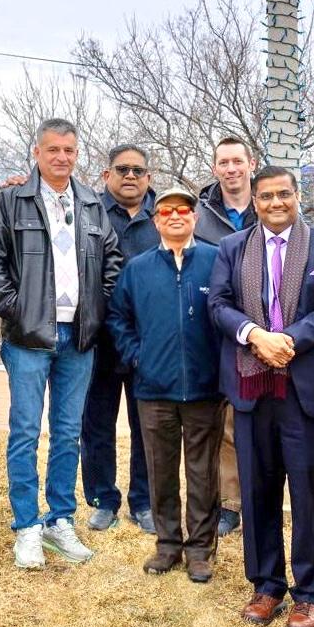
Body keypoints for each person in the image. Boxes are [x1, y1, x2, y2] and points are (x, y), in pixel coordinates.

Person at [209, 165, 314, 627]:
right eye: (266, 196)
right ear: (254, 201)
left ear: (298, 196)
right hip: (253, 390)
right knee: (257, 490)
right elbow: (218, 304)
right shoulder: (233, 248)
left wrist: (285, 340)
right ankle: (266, 585)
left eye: (284, 194)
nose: (276, 203)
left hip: (307, 390)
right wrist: (255, 335)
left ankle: (310, 594)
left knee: (311, 495)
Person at [0, 118, 122, 569]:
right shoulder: (13, 199)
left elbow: (112, 260)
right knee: (24, 431)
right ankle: (27, 526)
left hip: (79, 336)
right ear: (37, 152)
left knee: (67, 433)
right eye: (54, 149)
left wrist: (98, 308)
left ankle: (60, 520)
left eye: (70, 150)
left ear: (78, 155)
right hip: (28, 336)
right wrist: (13, 305)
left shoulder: (92, 205)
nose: (62, 157)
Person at [107, 185, 224, 580]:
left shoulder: (216, 260)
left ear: (194, 217)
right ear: (156, 220)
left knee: (203, 472)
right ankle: (168, 544)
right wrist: (137, 356)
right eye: (167, 211)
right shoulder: (138, 269)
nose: (175, 216)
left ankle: (200, 549)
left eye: (184, 210)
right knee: (159, 469)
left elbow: (232, 314)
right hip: (154, 389)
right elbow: (118, 318)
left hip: (205, 389)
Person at [80, 145, 159, 534]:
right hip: (96, 338)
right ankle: (102, 500)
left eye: (138, 170)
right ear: (106, 174)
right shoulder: (86, 211)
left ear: (149, 177)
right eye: (122, 169)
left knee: (147, 424)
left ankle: (144, 502)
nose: (130, 176)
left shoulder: (164, 216)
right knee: (96, 423)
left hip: (147, 342)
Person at [196, 136, 257, 538]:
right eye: (224, 162)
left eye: (238, 161)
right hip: (208, 327)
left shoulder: (271, 206)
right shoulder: (200, 214)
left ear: (251, 164)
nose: (231, 169)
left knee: (250, 421)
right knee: (217, 424)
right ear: (215, 168)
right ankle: (225, 503)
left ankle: (252, 499)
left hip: (258, 329)